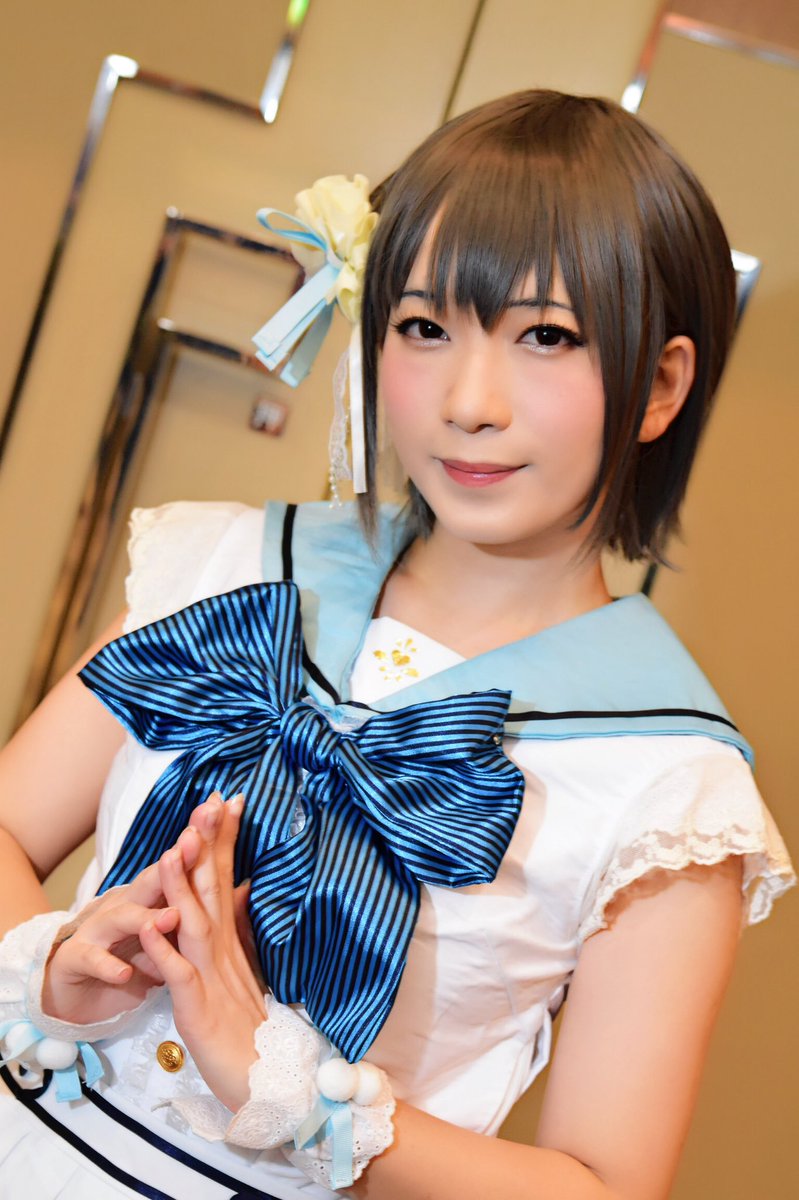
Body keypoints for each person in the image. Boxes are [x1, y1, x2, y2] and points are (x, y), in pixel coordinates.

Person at [0, 89, 793, 1200]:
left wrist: (294, 1099)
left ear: (659, 385)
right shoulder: (232, 567)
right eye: (424, 327)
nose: (469, 401)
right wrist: (51, 961)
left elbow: (604, 1186)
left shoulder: (667, 783)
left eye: (546, 337)